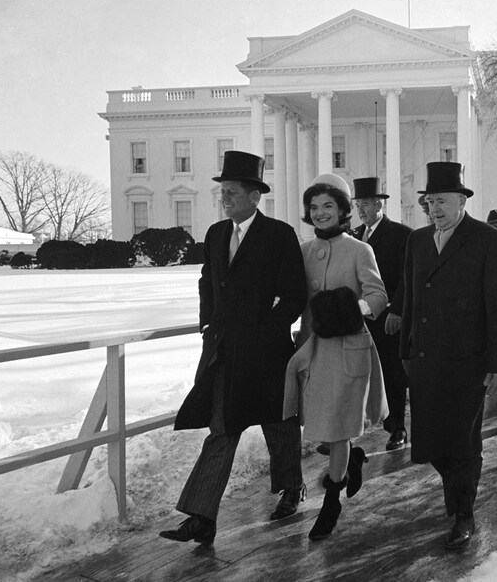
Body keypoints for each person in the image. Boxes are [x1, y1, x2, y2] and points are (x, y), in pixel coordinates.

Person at [160, 151, 308, 546]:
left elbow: (294, 295)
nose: (224, 198)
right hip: (225, 350)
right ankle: (201, 517)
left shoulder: (279, 235)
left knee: (279, 425)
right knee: (222, 430)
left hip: (267, 353)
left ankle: (291, 488)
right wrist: (207, 322)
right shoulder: (215, 234)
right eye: (222, 191)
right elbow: (207, 281)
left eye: (231, 192)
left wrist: (268, 329)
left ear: (254, 196)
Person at [400, 161, 497, 551]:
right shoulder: (417, 242)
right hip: (425, 359)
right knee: (431, 442)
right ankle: (458, 494)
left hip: (469, 361)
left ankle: (464, 513)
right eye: (430, 201)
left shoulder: (484, 238)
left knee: (464, 442)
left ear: (462, 201)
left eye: (443, 201)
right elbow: (411, 299)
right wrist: (405, 352)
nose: (435, 209)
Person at [282, 174, 388, 541]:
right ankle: (351, 461)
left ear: (343, 210)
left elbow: (378, 297)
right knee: (324, 427)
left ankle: (331, 501)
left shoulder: (360, 250)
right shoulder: (303, 251)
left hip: (347, 350)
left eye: (328, 206)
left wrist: (349, 308)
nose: (320, 213)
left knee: (339, 429)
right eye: (314, 207)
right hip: (312, 351)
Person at [350, 176, 412, 451]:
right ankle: (353, 427)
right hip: (359, 321)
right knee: (358, 373)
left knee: (392, 373)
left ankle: (397, 427)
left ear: (379, 204)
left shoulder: (401, 234)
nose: (360, 210)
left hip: (387, 320)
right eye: (357, 205)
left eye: (364, 204)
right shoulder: (353, 236)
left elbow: (406, 279)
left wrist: (397, 312)